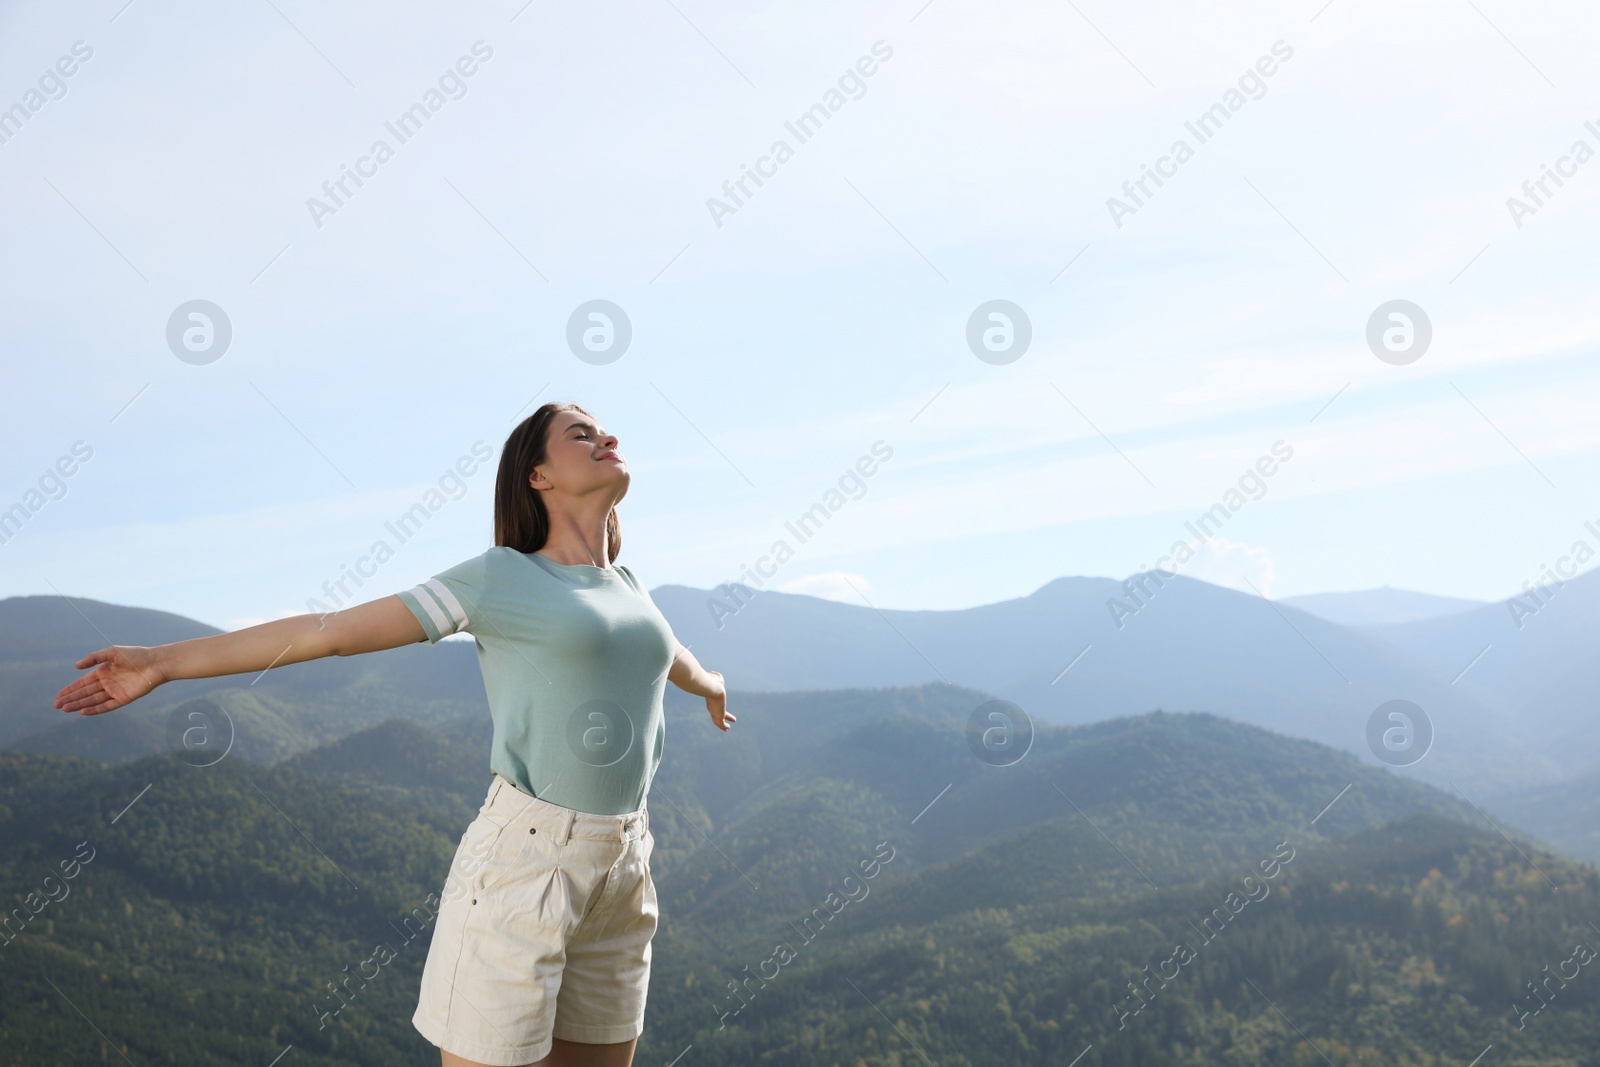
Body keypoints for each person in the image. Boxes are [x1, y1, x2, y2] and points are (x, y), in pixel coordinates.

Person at [52, 402, 733, 1067]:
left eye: (605, 429)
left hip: (625, 867)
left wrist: (710, 682)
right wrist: (164, 662)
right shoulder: (501, 577)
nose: (604, 436)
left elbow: (667, 651)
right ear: (538, 476)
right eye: (580, 433)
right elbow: (333, 633)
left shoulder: (628, 584)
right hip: (527, 866)